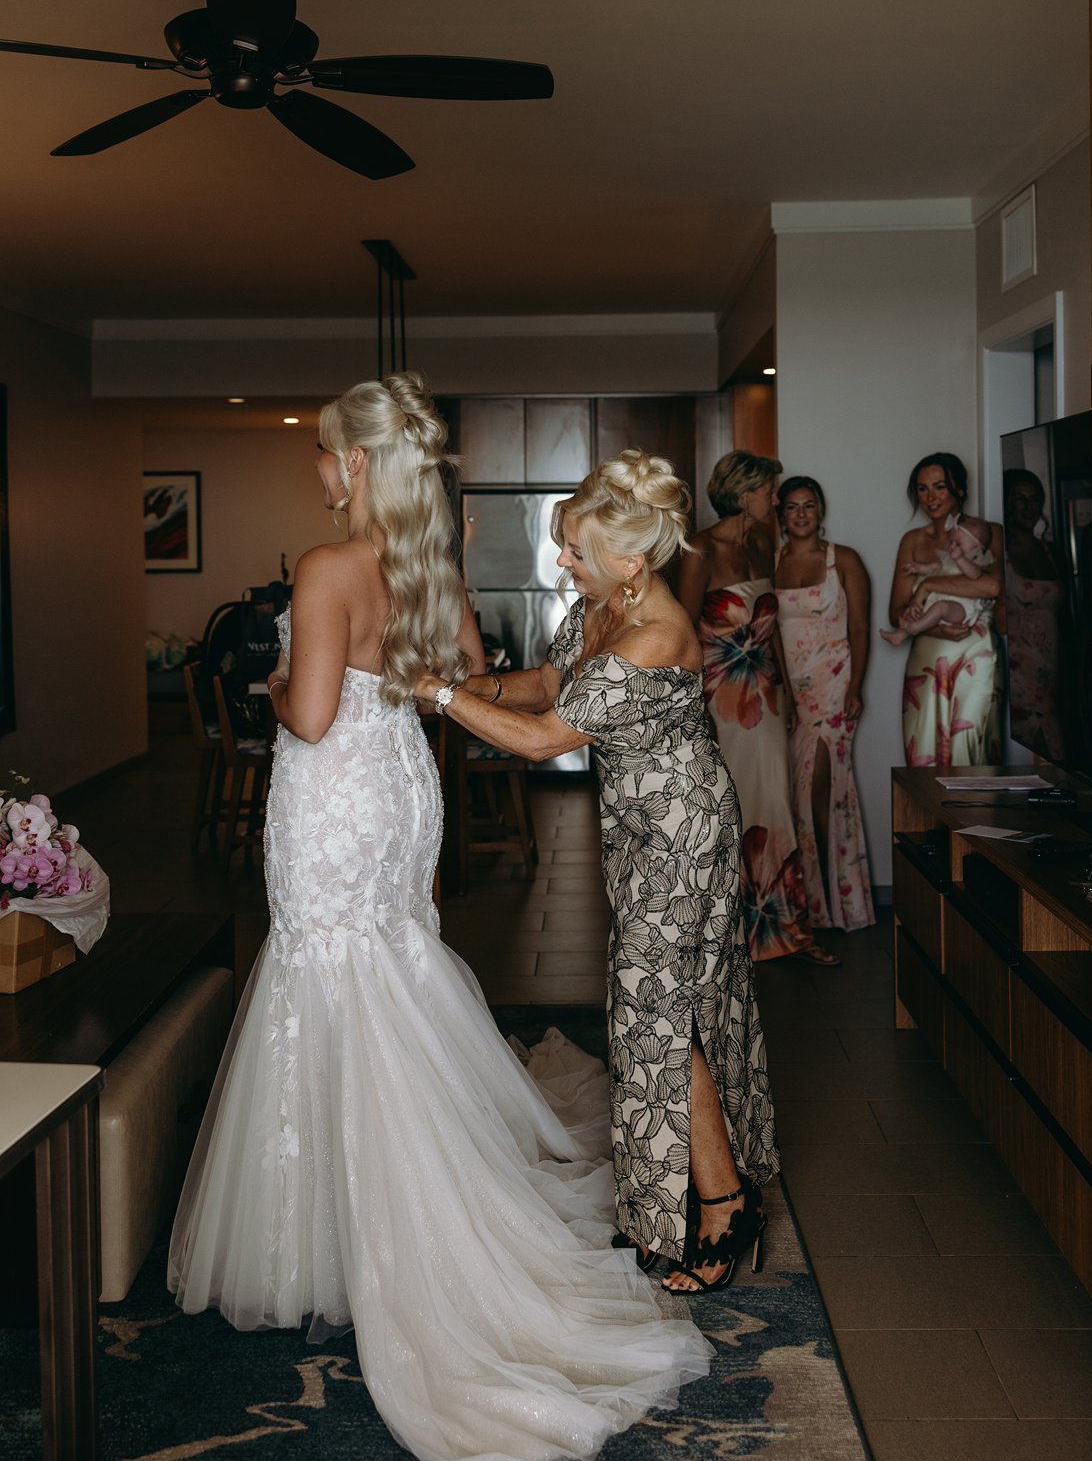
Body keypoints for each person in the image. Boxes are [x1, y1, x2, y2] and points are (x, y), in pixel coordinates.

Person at [169, 379, 711, 1461]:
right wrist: (395, 686)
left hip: (334, 798)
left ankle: (339, 1240)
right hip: (400, 792)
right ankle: (395, 1205)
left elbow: (310, 717)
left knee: (329, 970)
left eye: (325, 452)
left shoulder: (327, 566)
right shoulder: (428, 566)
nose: (319, 470)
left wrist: (274, 680)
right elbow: (466, 673)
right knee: (389, 967)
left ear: (356, 464)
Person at [417, 450, 780, 1298]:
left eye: (575, 550)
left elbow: (548, 735)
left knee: (656, 1016)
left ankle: (725, 1206)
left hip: (684, 836)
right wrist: (469, 685)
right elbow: (550, 683)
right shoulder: (599, 608)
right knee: (659, 1010)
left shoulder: (659, 635)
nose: (562, 561)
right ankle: (693, 1196)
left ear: (630, 559)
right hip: (637, 830)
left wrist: (437, 695)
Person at [677, 451, 839, 965]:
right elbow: (681, 635)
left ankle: (785, 929)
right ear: (744, 494)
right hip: (722, 702)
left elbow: (773, 632)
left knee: (776, 805)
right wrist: (692, 708)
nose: (775, 499)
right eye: (769, 491)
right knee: (733, 810)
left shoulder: (763, 543)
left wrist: (785, 690)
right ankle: (727, 937)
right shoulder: (700, 548)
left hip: (766, 696)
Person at [775, 477, 875, 932]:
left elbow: (860, 627)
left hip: (834, 687)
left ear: (821, 511)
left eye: (809, 506)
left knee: (823, 786)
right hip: (791, 691)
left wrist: (855, 687)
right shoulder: (772, 561)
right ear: (782, 515)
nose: (801, 514)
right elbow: (769, 632)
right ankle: (809, 902)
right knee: (794, 792)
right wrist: (781, 689)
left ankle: (835, 900)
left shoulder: (844, 560)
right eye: (792, 507)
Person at [887, 452, 1003, 769]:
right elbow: (896, 611)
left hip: (976, 654)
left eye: (940, 486)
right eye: (923, 489)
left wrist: (927, 586)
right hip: (927, 658)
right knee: (923, 754)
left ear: (959, 489)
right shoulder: (912, 541)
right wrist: (937, 627)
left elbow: (991, 586)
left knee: (971, 751)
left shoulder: (988, 532)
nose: (931, 497)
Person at [1003, 467, 1068, 762]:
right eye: (1020, 498)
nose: (1028, 507)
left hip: (1051, 663)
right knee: (1025, 745)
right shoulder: (1000, 551)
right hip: (1016, 665)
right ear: (1007, 501)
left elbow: (1067, 618)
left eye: (1035, 499)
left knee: (1055, 746)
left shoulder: (1052, 551)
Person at [880, 515, 990, 644]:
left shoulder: (976, 562)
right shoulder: (951, 559)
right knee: (918, 612)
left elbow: (974, 575)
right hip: (940, 600)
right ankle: (899, 636)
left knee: (941, 607)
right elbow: (936, 568)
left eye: (959, 543)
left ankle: (914, 629)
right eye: (952, 542)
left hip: (961, 607)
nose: (953, 546)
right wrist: (919, 568)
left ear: (977, 546)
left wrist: (960, 559)